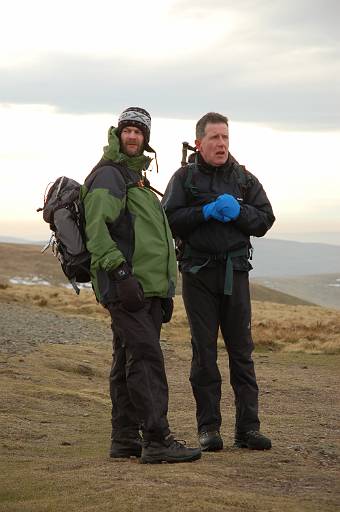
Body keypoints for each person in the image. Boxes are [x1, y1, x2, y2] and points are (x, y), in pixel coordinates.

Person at [82, 107, 201, 464]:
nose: (132, 136)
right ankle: (157, 439)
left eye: (139, 131)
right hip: (126, 286)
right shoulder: (109, 176)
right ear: (118, 134)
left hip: (144, 288)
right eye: (127, 130)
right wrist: (119, 275)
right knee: (147, 359)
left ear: (146, 139)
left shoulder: (137, 180)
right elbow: (96, 231)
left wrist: (162, 290)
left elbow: (152, 236)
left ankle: (124, 438)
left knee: (126, 359)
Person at [162, 112, 275, 451]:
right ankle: (208, 429)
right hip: (197, 276)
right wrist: (204, 212)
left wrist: (240, 212)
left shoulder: (244, 179)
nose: (221, 144)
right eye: (214, 138)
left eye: (225, 137)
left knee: (242, 353)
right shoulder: (184, 178)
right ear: (199, 143)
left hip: (236, 274)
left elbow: (266, 219)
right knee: (205, 354)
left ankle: (248, 429)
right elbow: (168, 219)